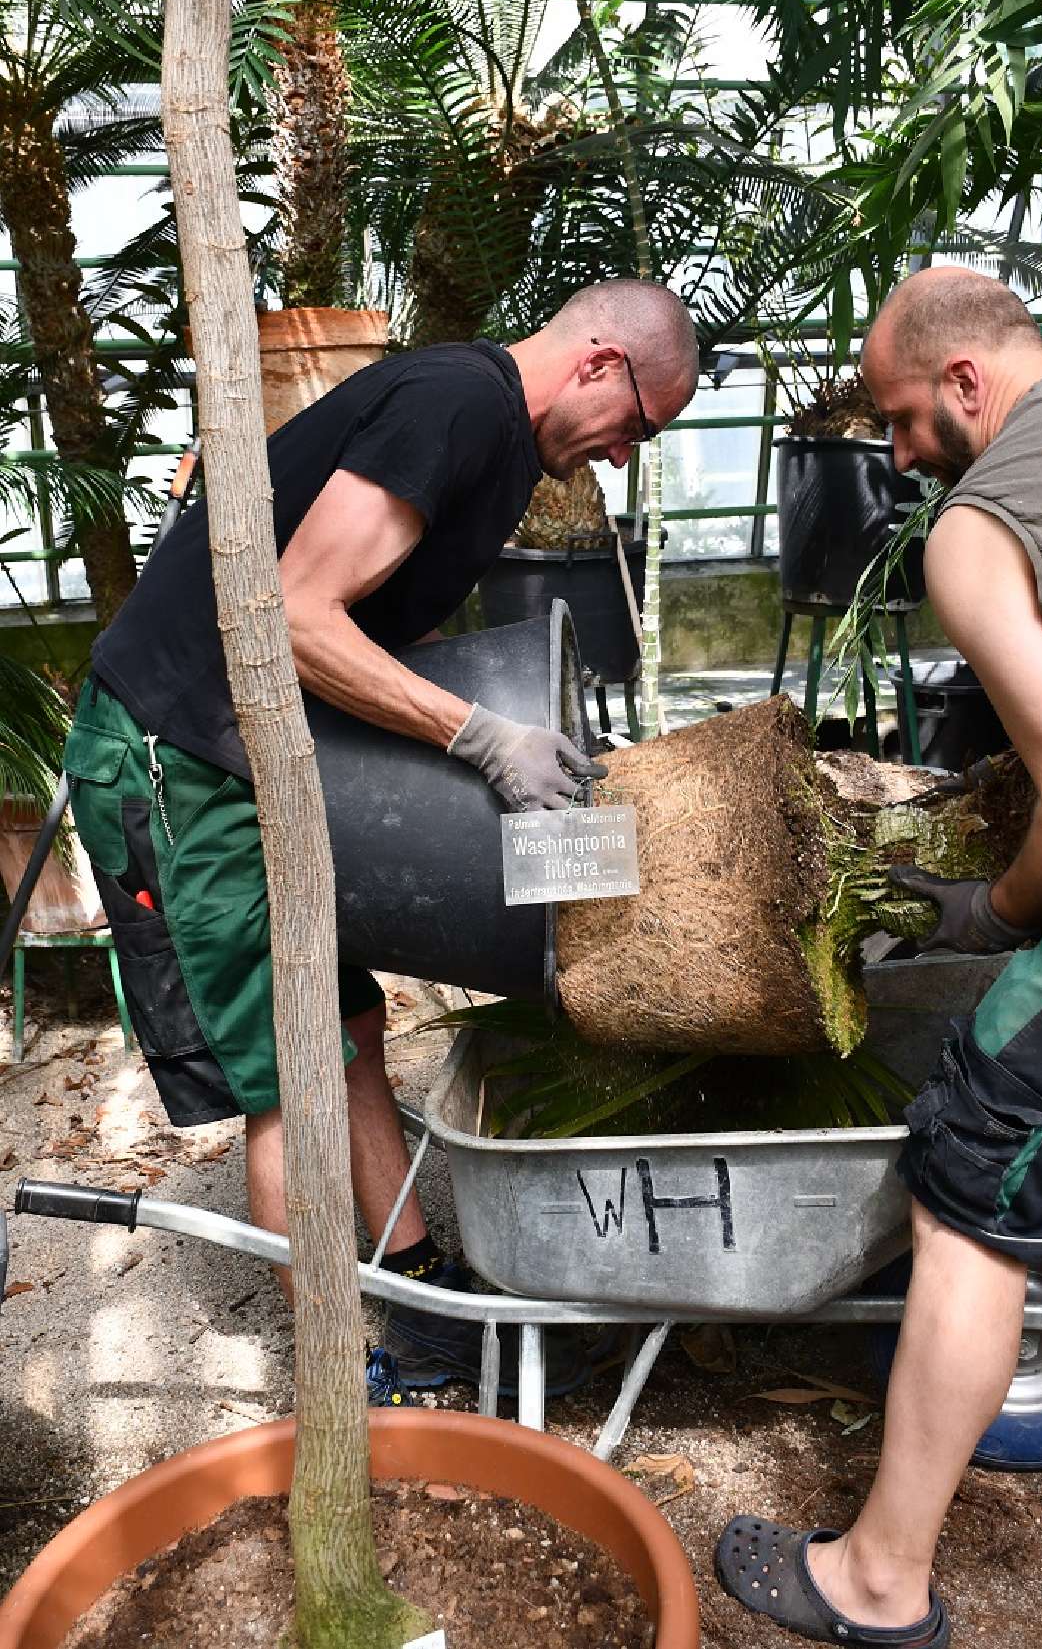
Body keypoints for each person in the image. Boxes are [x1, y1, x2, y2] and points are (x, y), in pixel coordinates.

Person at [63, 278, 699, 1394]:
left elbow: (377, 619)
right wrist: (480, 737)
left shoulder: (501, 443)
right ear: (602, 361)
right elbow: (298, 614)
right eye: (636, 427)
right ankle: (336, 1374)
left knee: (346, 1017)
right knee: (286, 1068)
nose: (621, 458)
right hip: (176, 748)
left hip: (259, 746)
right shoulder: (457, 401)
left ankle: (416, 1285)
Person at [715, 266, 1042, 1646]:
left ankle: (876, 1580)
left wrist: (1000, 912)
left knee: (971, 1185)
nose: (902, 454)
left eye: (907, 420)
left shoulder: (977, 529)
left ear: (967, 383)